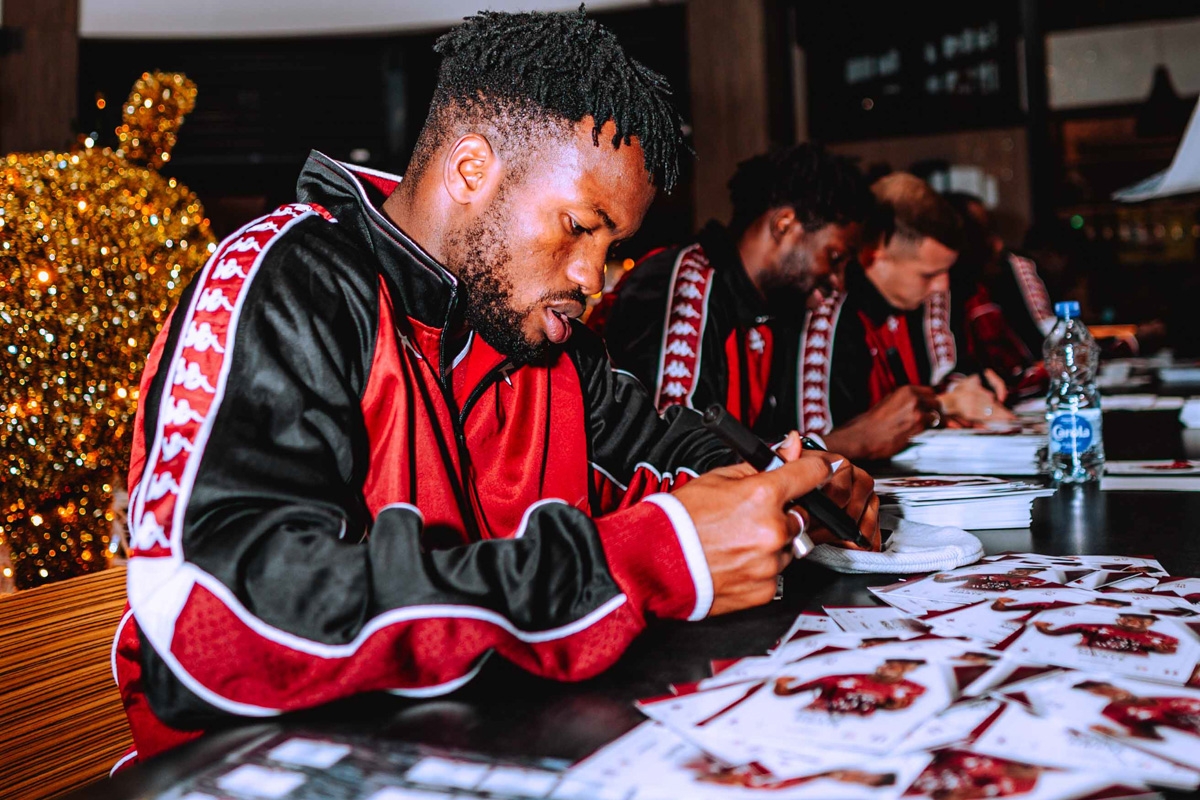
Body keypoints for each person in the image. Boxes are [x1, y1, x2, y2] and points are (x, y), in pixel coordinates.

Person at [112, 9, 879, 764]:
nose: (592, 276)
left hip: (485, 745)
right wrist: (642, 560)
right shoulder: (288, 282)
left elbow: (664, 452)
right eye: (579, 225)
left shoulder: (544, 342)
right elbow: (209, 617)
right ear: (472, 170)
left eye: (612, 243)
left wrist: (778, 490)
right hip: (265, 770)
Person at [593, 144, 873, 437]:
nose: (838, 281)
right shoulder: (681, 284)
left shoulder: (773, 307)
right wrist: (848, 443)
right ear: (784, 224)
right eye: (834, 257)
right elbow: (675, 445)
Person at [797, 174, 1013, 457]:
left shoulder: (920, 299)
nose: (942, 285)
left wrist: (975, 384)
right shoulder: (829, 312)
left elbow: (952, 370)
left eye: (946, 271)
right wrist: (944, 405)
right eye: (929, 274)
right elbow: (832, 442)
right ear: (873, 258)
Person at [944, 192, 1047, 399]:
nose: (998, 243)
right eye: (983, 232)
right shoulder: (944, 291)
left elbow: (1043, 345)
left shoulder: (1006, 274)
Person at [772, 658, 927, 714]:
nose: (888, 668)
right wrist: (780, 682)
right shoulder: (836, 678)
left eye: (904, 665)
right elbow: (786, 692)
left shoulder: (916, 689)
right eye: (889, 664)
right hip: (813, 721)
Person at [1075, 680, 1200, 741]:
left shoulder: (1158, 691)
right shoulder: (1115, 712)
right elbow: (1152, 737)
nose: (1110, 693)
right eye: (1100, 693)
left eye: (1108, 688)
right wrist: (1115, 733)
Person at [1034, 613, 1179, 655]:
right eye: (1129, 619)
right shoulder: (1091, 626)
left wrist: (1162, 650)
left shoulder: (1164, 638)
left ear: (1151, 623)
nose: (1135, 622)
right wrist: (1041, 626)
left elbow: (1177, 652)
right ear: (1119, 619)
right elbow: (1052, 632)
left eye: (1143, 620)